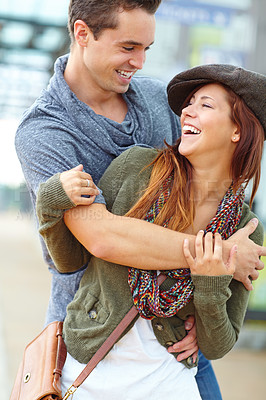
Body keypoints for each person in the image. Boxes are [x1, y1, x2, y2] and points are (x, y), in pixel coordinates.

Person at [15, 0, 265, 398]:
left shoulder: (151, 98)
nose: (140, 62)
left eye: (147, 48)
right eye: (129, 47)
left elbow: (201, 170)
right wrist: (219, 258)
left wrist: (208, 299)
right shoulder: (43, 131)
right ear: (83, 34)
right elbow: (99, 238)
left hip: (173, 338)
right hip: (95, 328)